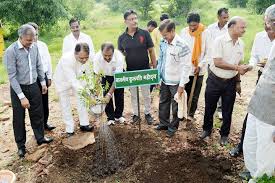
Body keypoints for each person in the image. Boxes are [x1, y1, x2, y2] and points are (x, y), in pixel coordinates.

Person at [4, 24, 53, 158]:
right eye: (28, 40)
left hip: (33, 86)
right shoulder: (11, 51)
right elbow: (12, 76)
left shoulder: (34, 47)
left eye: (32, 40)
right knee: (19, 118)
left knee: (38, 113)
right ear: (20, 37)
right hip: (18, 88)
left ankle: (40, 137)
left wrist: (42, 83)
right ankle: (21, 146)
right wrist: (21, 97)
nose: (30, 43)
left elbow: (39, 65)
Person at [200, 17, 249, 146]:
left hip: (231, 82)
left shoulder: (241, 43)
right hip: (215, 79)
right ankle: (206, 129)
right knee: (210, 106)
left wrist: (238, 82)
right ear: (232, 27)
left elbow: (239, 62)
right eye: (242, 27)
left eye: (244, 27)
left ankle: (224, 135)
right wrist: (237, 68)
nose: (244, 30)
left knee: (228, 109)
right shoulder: (219, 41)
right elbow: (218, 62)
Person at [229, 21, 275, 158]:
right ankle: (242, 146)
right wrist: (250, 66)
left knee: (267, 121)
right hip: (262, 77)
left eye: (271, 28)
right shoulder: (259, 37)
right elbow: (254, 57)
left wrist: (270, 64)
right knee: (252, 114)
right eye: (266, 28)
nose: (268, 32)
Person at [243, 5, 275, 182]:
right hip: (258, 105)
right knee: (251, 146)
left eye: (268, 25)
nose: (267, 29)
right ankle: (253, 176)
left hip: (271, 115)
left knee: (266, 155)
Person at [118, 9, 157, 125]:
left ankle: (148, 113)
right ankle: (136, 114)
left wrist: (154, 67)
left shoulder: (145, 33)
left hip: (145, 70)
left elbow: (151, 51)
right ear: (125, 22)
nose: (134, 21)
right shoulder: (122, 38)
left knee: (146, 94)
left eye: (135, 18)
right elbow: (119, 55)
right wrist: (121, 70)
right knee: (134, 95)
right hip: (131, 72)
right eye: (131, 19)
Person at [156, 19, 192, 137]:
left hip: (176, 82)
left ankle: (173, 127)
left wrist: (182, 85)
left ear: (172, 31)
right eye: (163, 35)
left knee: (176, 105)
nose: (164, 37)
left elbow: (187, 67)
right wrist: (158, 77)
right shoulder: (163, 42)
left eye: (166, 35)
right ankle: (164, 123)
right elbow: (160, 60)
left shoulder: (182, 45)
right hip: (165, 79)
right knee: (163, 102)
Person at [54, 43, 94, 137]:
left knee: (82, 101)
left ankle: (84, 124)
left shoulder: (89, 58)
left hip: (78, 78)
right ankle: (69, 129)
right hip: (63, 81)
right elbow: (72, 80)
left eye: (86, 57)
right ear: (75, 54)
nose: (84, 60)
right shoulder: (66, 59)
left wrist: (91, 90)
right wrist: (85, 94)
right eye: (81, 58)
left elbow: (89, 75)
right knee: (65, 104)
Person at [180, 12, 211, 120]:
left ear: (199, 23)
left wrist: (200, 65)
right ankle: (182, 113)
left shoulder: (206, 33)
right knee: (184, 92)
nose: (193, 28)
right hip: (185, 68)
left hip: (199, 69)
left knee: (195, 94)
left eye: (195, 25)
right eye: (191, 25)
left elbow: (209, 52)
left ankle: (190, 114)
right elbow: (181, 50)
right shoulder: (184, 32)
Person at [28, 22, 56, 131]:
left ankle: (45, 123)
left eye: (36, 34)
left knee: (45, 101)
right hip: (32, 78)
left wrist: (49, 76)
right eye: (32, 34)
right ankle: (38, 127)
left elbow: (48, 61)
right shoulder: (27, 47)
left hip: (43, 76)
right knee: (35, 104)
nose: (35, 37)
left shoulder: (43, 45)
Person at [93, 42, 125, 125]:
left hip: (118, 76)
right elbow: (97, 75)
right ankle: (110, 117)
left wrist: (110, 94)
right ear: (101, 52)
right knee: (106, 95)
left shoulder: (119, 57)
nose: (107, 58)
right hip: (105, 76)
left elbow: (117, 78)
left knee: (119, 95)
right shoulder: (97, 58)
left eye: (109, 56)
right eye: (105, 56)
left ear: (113, 52)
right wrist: (96, 92)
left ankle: (118, 115)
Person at [208, 8, 230, 120]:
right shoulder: (211, 28)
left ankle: (220, 109)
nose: (226, 20)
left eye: (227, 17)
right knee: (212, 87)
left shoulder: (229, 29)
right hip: (212, 62)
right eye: (224, 17)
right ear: (218, 17)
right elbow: (208, 45)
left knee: (223, 85)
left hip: (223, 62)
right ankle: (211, 109)